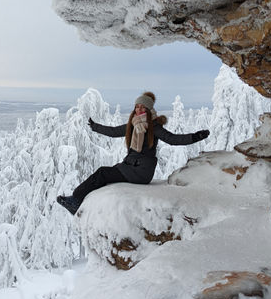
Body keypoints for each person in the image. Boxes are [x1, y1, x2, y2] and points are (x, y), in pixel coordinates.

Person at [57, 91, 210, 215]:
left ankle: (76, 201)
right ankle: (80, 200)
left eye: (143, 107)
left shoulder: (153, 127)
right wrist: (95, 127)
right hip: (130, 166)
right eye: (137, 107)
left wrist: (195, 137)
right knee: (104, 174)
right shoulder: (133, 125)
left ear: (149, 110)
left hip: (141, 171)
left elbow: (173, 139)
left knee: (102, 173)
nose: (139, 110)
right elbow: (114, 131)